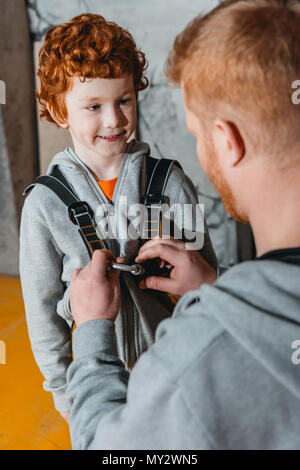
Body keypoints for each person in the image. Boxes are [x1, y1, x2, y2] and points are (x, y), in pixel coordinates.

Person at [66, 0, 300, 450]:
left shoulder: (194, 367)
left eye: (196, 133)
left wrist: (93, 330)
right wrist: (216, 283)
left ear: (226, 141)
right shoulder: (46, 199)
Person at [19, 14, 217, 424]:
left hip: (178, 376)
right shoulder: (44, 205)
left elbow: (208, 276)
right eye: (93, 106)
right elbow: (41, 310)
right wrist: (64, 391)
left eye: (124, 100)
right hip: (96, 385)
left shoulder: (171, 184)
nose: (114, 120)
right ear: (59, 112)